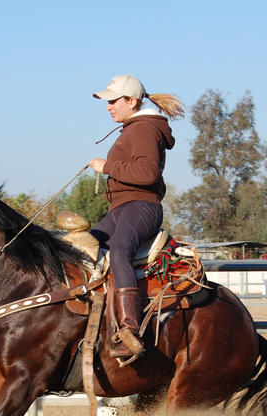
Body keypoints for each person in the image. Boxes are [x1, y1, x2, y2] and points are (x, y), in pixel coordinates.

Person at [87, 74, 185, 364]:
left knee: (119, 250)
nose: (108, 107)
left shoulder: (143, 130)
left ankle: (130, 329)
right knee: (84, 246)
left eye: (113, 101)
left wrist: (107, 166)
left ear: (132, 101)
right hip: (122, 209)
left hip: (141, 206)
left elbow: (147, 174)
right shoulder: (134, 128)